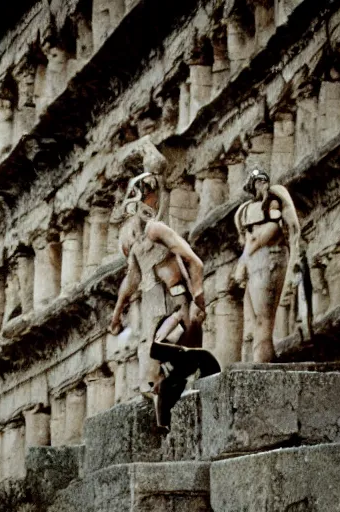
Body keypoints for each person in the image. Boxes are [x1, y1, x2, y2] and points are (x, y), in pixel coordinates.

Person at [108, 142, 219, 427]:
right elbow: (131, 279)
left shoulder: (157, 229)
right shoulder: (137, 244)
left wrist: (199, 299)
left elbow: (195, 262)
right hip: (154, 309)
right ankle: (165, 428)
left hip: (176, 307)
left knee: (161, 367)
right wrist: (117, 312)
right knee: (155, 374)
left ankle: (173, 425)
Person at [230, 169, 303, 363]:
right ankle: (253, 363)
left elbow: (274, 228)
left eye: (262, 181)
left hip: (270, 258)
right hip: (254, 262)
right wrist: (244, 262)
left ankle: (260, 366)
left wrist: (244, 259)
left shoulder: (273, 200)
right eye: (256, 182)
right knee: (251, 324)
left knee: (264, 322)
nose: (260, 185)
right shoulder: (245, 210)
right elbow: (248, 238)